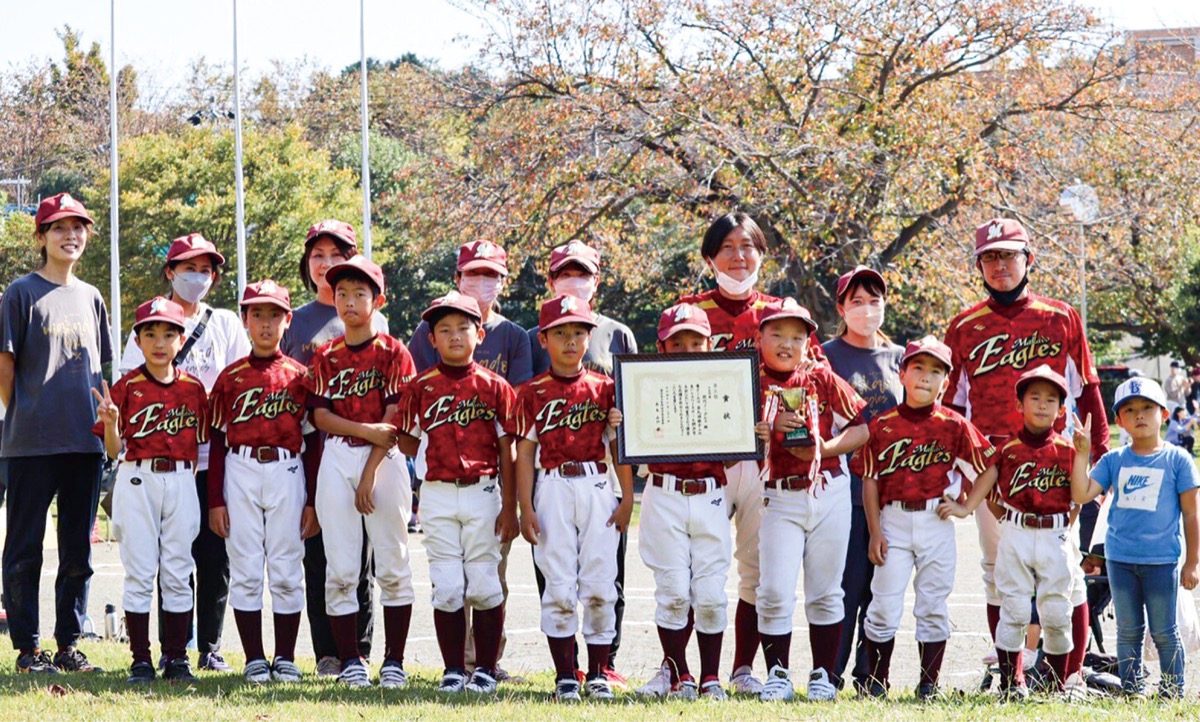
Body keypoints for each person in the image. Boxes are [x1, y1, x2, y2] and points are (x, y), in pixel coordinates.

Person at [942, 218, 1109, 654]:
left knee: (1064, 568)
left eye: (1009, 254)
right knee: (999, 569)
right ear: (979, 265)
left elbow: (1087, 391)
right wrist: (961, 476)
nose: (1000, 265)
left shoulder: (1060, 317)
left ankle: (1066, 675)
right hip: (993, 466)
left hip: (1056, 462)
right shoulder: (963, 326)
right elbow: (952, 411)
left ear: (1028, 259)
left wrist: (1101, 463)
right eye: (990, 256)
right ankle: (1011, 671)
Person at [118, 233, 251, 672]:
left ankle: (207, 646)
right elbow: (127, 395)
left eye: (207, 269)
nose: (198, 276)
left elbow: (240, 382)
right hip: (156, 458)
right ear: (170, 271)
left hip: (211, 458)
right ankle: (160, 651)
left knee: (213, 556)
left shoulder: (226, 322)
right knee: (158, 559)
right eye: (188, 267)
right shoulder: (149, 324)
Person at [0, 193, 113, 674]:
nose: (71, 236)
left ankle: (69, 643)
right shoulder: (20, 292)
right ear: (41, 237)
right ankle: (28, 647)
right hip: (29, 444)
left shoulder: (92, 297)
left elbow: (102, 372)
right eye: (60, 228)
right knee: (25, 548)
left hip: (83, 444)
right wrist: (23, 411)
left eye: (79, 227)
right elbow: (5, 365)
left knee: (77, 551)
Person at [407, 240, 530, 679]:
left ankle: (486, 669)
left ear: (480, 334)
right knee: (446, 587)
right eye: (444, 329)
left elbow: (508, 448)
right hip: (438, 494)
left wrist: (511, 507)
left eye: (463, 327)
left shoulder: (496, 386)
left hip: (483, 492)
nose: (454, 335)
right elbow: (406, 440)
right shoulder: (420, 387)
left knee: (483, 583)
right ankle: (454, 669)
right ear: (432, 337)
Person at [939, 365, 1090, 698]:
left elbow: (1079, 495)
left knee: (1055, 610)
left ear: (1061, 409)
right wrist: (965, 507)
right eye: (1034, 397)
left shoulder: (1067, 449)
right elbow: (987, 483)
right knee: (1016, 610)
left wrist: (1083, 453)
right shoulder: (1007, 450)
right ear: (1019, 405)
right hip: (1017, 531)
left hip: (1054, 534)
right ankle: (1011, 683)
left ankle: (1057, 683)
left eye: (1051, 399)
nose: (1041, 405)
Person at [857, 337, 995, 700]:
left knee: (933, 604)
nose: (925, 377)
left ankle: (928, 685)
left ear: (946, 383)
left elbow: (990, 467)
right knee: (884, 603)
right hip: (893, 520)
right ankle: (876, 682)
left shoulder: (954, 424)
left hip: (936, 520)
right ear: (902, 373)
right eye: (917, 367)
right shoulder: (882, 424)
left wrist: (966, 507)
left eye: (936, 371)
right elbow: (870, 480)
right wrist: (874, 531)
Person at [527, 240, 636, 690]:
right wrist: (523, 504)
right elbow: (521, 446)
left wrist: (629, 495)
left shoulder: (616, 343)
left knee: (600, 579)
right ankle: (565, 673)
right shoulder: (533, 380)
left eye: (583, 272)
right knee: (557, 577)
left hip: (596, 482)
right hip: (551, 481)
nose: (570, 341)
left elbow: (626, 430)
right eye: (566, 272)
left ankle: (599, 669)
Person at [306, 255, 417, 689]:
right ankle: (351, 660)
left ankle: (394, 660)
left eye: (360, 294)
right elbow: (320, 417)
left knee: (393, 561)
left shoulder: (394, 351)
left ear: (378, 300)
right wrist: (362, 430)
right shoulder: (327, 354)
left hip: (384, 460)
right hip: (337, 453)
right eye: (342, 293)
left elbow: (393, 422)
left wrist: (370, 470)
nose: (349, 301)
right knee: (341, 565)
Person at [280, 219, 384, 678]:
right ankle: (326, 650)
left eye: (336, 256)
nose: (326, 264)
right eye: (317, 255)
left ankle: (358, 650)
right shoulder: (293, 321)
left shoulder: (374, 321)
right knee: (318, 551)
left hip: (363, 450)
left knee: (362, 555)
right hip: (308, 450)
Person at [752, 298, 868, 702]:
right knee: (774, 590)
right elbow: (728, 437)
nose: (787, 343)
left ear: (808, 341)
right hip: (777, 494)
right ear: (759, 336)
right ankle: (778, 673)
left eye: (797, 336)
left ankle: (822, 674)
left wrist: (825, 446)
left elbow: (861, 429)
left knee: (825, 590)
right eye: (777, 334)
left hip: (827, 488)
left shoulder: (820, 374)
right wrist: (763, 428)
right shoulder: (747, 378)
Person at [207, 280, 320, 683]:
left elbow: (314, 440)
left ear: (288, 320)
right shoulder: (230, 377)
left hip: (288, 469)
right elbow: (218, 441)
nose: (266, 323)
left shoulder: (300, 376)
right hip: (240, 468)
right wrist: (215, 499)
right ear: (245, 320)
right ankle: (255, 657)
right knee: (246, 565)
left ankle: (285, 657)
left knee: (288, 564)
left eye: (275, 315)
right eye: (258, 314)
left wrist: (312, 501)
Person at [93, 297, 209, 684]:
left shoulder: (194, 389)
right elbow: (113, 450)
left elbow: (205, 440)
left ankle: (177, 658)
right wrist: (111, 423)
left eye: (168, 334)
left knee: (178, 569)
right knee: (140, 571)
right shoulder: (126, 386)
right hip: (137, 476)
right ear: (138, 340)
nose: (159, 342)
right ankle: (140, 660)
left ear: (181, 339)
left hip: (180, 479)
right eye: (150, 333)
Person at [1071, 377, 1200, 698]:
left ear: (1164, 414)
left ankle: (1172, 691)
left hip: (1162, 561)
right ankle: (1133, 691)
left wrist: (1193, 562)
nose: (1139, 415)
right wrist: (1081, 453)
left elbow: (1191, 514)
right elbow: (1081, 493)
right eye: (1130, 410)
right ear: (1120, 421)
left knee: (1165, 631)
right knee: (1128, 631)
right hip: (1120, 561)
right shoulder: (1114, 460)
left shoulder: (1178, 460)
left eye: (1147, 408)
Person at [637, 303, 731, 701]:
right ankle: (680, 675)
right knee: (673, 589)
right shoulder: (643, 385)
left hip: (710, 493)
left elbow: (736, 443)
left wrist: (754, 430)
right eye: (679, 343)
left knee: (710, 593)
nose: (688, 348)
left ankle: (711, 676)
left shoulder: (725, 382)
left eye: (696, 341)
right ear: (662, 347)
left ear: (710, 345)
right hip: (664, 490)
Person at [822, 265, 904, 693]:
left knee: (881, 592)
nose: (867, 309)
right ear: (842, 307)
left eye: (875, 300)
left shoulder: (902, 359)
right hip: (843, 489)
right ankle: (830, 676)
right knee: (846, 588)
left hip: (893, 491)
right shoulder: (825, 355)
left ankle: (871, 677)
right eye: (857, 301)